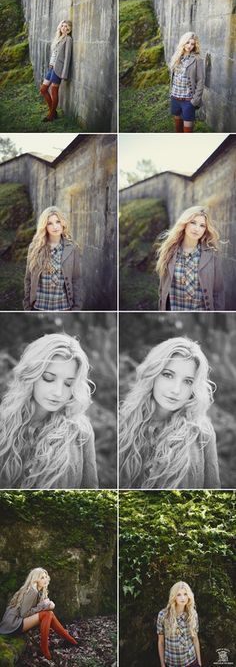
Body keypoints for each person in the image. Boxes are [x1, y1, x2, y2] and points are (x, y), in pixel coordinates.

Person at [119, 336, 221, 489]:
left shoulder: (202, 433)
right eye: (168, 375)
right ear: (153, 374)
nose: (176, 390)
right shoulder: (123, 424)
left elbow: (213, 492)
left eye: (188, 381)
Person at [0, 332, 98, 489]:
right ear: (31, 374)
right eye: (48, 378)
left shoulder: (80, 431)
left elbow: (91, 489)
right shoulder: (4, 424)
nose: (58, 392)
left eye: (68, 383)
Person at [0, 567, 77, 661]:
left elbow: (34, 611)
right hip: (13, 624)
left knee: (49, 614)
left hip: (17, 622)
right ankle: (45, 647)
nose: (45, 580)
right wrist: (43, 606)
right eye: (42, 578)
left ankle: (70, 640)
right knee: (47, 614)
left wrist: (46, 605)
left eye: (45, 577)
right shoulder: (32, 591)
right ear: (35, 579)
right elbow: (24, 614)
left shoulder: (39, 591)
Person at [156, 206, 225, 311]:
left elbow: (218, 293)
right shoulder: (168, 251)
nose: (197, 229)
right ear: (185, 223)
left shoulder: (212, 255)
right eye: (193, 222)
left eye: (202, 225)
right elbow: (162, 290)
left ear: (205, 230)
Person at [23, 206, 83, 311]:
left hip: (64, 308)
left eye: (58, 221)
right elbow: (28, 279)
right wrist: (27, 306)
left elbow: (76, 279)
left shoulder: (72, 248)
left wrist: (76, 308)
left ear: (63, 223)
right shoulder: (35, 247)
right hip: (38, 308)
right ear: (44, 226)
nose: (55, 227)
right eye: (49, 223)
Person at [157, 581, 202, 667]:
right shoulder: (163, 615)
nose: (183, 598)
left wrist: (199, 663)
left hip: (191, 662)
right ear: (174, 596)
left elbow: (195, 639)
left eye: (185, 594)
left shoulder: (192, 614)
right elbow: (161, 642)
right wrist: (162, 665)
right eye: (179, 594)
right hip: (171, 663)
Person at [170, 32, 204, 132]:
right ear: (183, 42)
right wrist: (171, 94)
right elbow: (173, 77)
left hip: (188, 100)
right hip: (175, 98)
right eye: (188, 42)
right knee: (178, 129)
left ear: (195, 45)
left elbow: (201, 81)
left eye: (192, 44)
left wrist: (195, 101)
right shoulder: (176, 57)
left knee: (187, 132)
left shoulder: (197, 59)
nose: (189, 46)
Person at [40, 20, 72, 122]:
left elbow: (67, 57)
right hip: (51, 68)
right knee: (43, 90)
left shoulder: (68, 39)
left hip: (58, 69)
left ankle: (51, 115)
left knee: (54, 91)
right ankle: (53, 112)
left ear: (69, 28)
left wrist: (64, 73)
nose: (63, 28)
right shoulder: (58, 38)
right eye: (62, 26)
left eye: (66, 26)